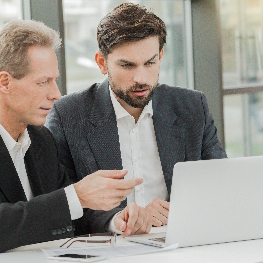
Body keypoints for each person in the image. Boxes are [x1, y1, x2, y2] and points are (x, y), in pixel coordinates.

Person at [0, 20, 151, 263]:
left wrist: (115, 220)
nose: (56, 94)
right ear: (4, 82)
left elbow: (65, 212)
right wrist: (77, 195)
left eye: (55, 80)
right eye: (43, 82)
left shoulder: (40, 139)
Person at [46, 3, 227, 229]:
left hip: (179, 242)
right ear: (102, 63)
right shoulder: (69, 115)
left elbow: (221, 186)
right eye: (127, 65)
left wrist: (179, 212)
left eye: (150, 63)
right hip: (109, 247)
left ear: (160, 56)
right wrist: (115, 221)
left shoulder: (192, 107)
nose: (141, 78)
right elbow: (60, 202)